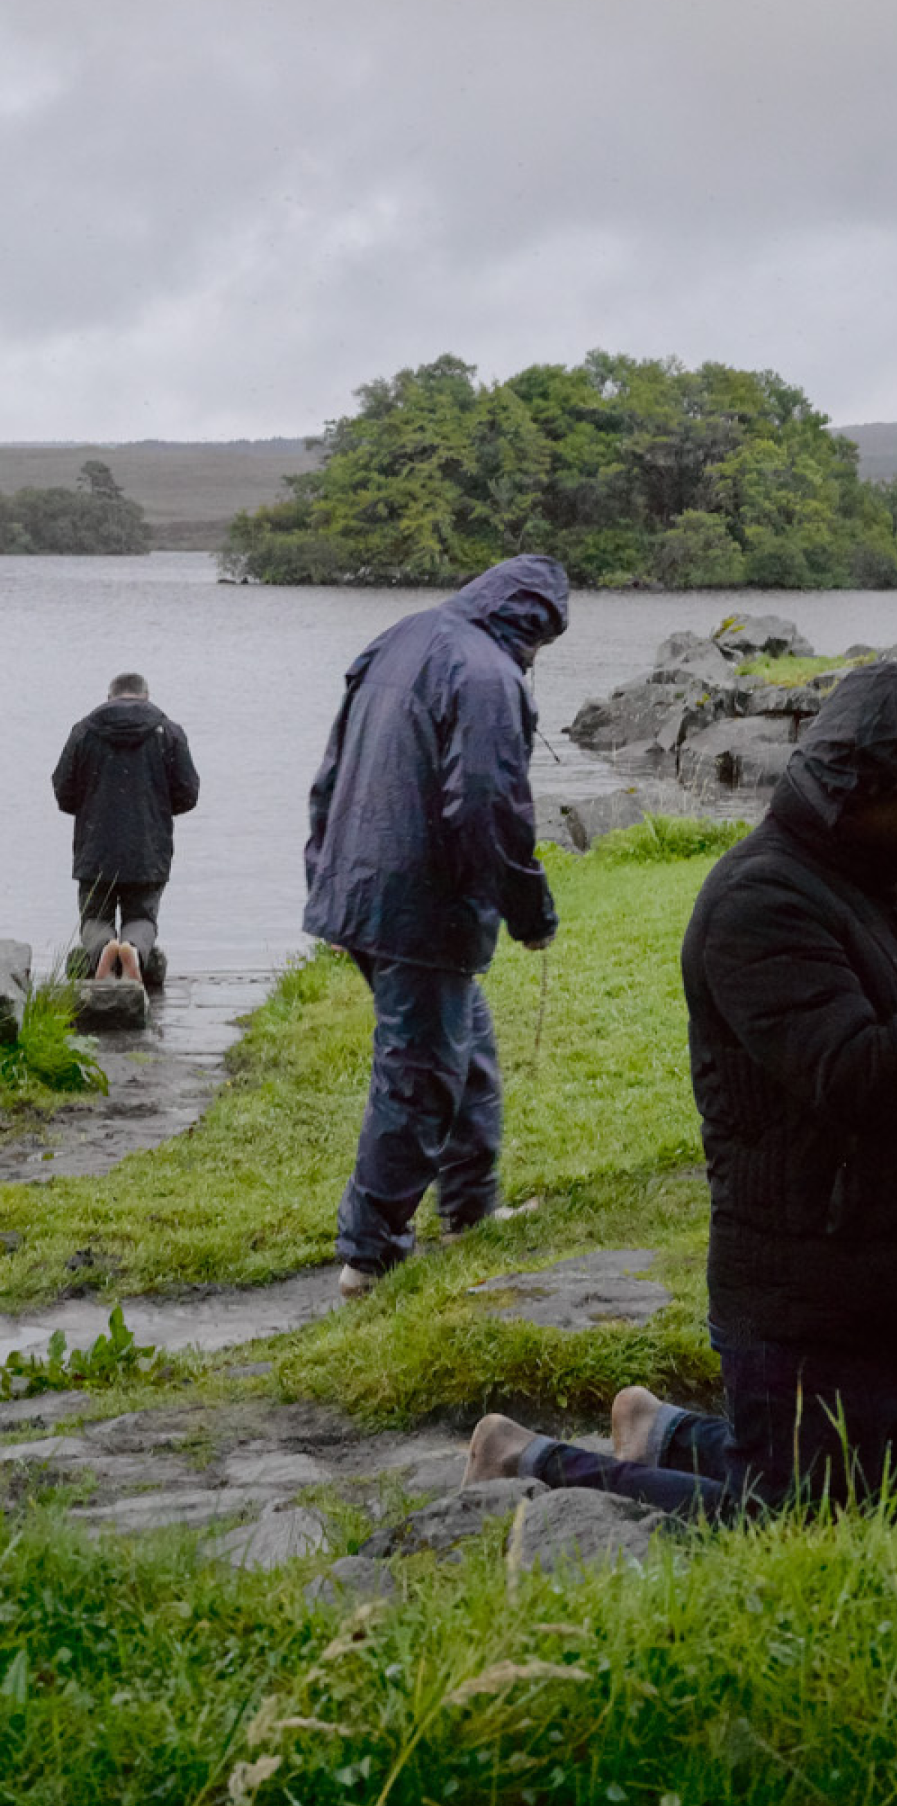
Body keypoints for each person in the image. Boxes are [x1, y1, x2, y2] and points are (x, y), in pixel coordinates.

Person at [462, 658, 897, 1514]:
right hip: (813, 1306)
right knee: (791, 1526)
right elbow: (860, 1077)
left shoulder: (874, 878)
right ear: (851, 785)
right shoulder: (758, 902)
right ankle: (523, 1458)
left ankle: (663, 1432)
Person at [303, 554, 569, 1299]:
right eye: (544, 640)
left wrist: (325, 880)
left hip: (362, 889)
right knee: (418, 1076)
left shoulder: (399, 637)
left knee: (466, 1051)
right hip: (418, 906)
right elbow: (487, 806)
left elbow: (331, 771)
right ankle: (372, 1254)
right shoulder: (488, 674)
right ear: (535, 624)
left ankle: (471, 1210)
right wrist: (531, 912)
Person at [52, 673, 200, 987]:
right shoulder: (168, 732)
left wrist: (92, 805)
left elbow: (63, 792)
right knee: (142, 918)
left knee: (95, 918)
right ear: (146, 696)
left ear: (109, 697)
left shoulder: (84, 732)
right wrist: (155, 809)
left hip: (96, 848)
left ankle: (105, 949)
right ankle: (131, 949)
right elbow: (188, 794)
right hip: (148, 847)